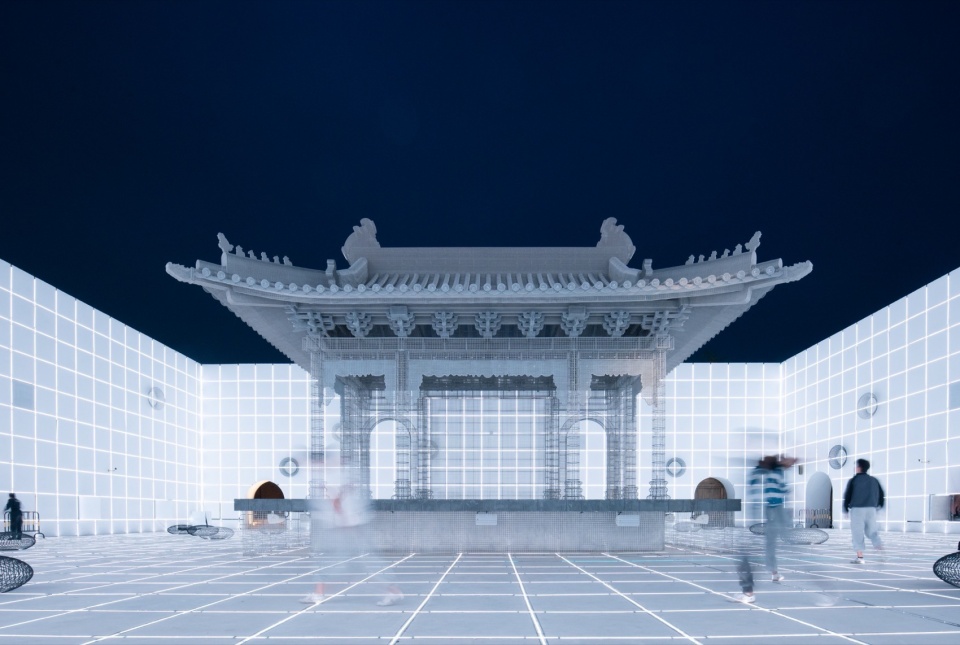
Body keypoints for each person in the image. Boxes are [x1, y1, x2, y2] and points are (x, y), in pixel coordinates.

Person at [301, 453, 403, 606]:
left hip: (348, 527)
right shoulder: (340, 477)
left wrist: (344, 521)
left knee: (357, 559)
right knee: (347, 559)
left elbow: (338, 502)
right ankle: (319, 592)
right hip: (348, 526)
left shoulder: (340, 476)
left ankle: (393, 590)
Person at [732, 455, 796, 603]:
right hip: (763, 516)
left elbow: (781, 493)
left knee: (751, 552)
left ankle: (749, 592)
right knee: (763, 548)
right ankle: (767, 578)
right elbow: (784, 491)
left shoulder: (770, 474)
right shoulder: (768, 473)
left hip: (766, 516)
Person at [843, 458, 884, 564]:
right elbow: (881, 494)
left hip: (857, 509)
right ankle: (879, 548)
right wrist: (880, 505)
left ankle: (860, 558)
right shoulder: (874, 480)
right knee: (872, 531)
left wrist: (845, 508)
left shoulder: (854, 480)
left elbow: (848, 495)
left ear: (859, 467)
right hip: (871, 509)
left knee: (857, 533)